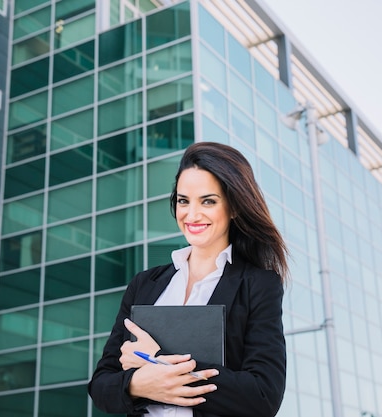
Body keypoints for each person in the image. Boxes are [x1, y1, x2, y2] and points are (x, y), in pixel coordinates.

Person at [88, 141, 289, 417]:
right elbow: (100, 386)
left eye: (208, 201)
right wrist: (136, 384)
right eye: (184, 201)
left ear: (234, 207)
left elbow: (263, 395)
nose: (192, 215)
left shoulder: (257, 285)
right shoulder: (145, 284)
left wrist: (157, 365)